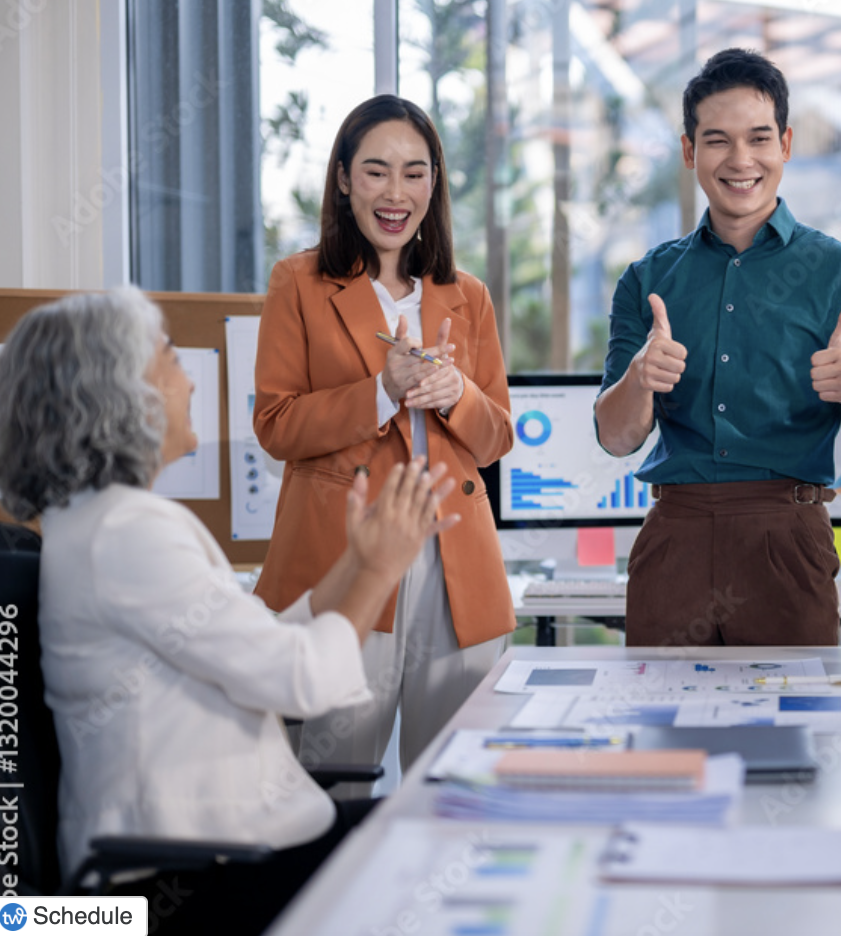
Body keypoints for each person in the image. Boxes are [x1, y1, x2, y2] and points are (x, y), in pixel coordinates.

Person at [0, 288, 457, 934]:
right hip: (192, 874)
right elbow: (303, 683)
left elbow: (266, 648)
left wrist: (357, 561)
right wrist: (382, 570)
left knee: (443, 829)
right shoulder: (130, 533)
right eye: (170, 360)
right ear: (124, 394)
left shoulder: (100, 523)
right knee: (453, 837)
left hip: (208, 851)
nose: (190, 381)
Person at [595, 48, 841, 647]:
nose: (741, 160)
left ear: (786, 145)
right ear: (689, 151)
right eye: (717, 140)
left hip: (787, 541)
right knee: (665, 735)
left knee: (789, 735)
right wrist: (639, 377)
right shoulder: (647, 279)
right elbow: (616, 438)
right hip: (673, 542)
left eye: (759, 138)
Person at [254, 95, 515, 777]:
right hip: (349, 555)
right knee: (332, 772)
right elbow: (275, 424)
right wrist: (381, 390)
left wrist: (459, 394)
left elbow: (496, 441)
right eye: (375, 171)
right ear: (343, 179)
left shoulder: (468, 295)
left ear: (435, 182)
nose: (396, 193)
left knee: (458, 778)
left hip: (457, 565)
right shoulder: (299, 283)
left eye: (414, 172)